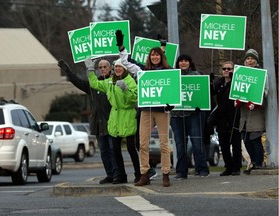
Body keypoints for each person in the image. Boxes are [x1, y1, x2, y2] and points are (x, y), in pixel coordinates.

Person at [115, 30, 173, 187]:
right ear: (149, 58)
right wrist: (121, 47)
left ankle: (166, 173)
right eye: (152, 55)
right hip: (146, 109)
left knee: (164, 144)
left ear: (161, 57)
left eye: (157, 55)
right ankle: (144, 174)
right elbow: (126, 63)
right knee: (143, 144)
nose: (155, 57)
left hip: (162, 110)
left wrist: (171, 104)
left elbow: (174, 90)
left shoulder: (169, 72)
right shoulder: (143, 71)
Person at [57, 59, 119, 184]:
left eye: (104, 67)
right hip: (98, 123)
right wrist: (68, 71)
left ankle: (118, 174)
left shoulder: (115, 83)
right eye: (100, 67)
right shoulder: (93, 84)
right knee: (104, 151)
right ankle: (110, 175)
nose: (102, 69)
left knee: (114, 151)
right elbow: (78, 82)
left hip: (112, 122)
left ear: (110, 69)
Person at [85, 57, 141, 184]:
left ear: (125, 68)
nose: (118, 69)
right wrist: (90, 70)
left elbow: (134, 98)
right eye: (116, 67)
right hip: (115, 118)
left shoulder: (130, 80)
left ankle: (139, 174)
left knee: (132, 148)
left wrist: (126, 89)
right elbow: (95, 84)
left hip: (127, 117)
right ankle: (121, 175)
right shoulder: (110, 81)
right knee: (115, 149)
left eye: (120, 67)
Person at [170, 54, 210, 179]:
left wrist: (200, 105)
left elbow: (202, 94)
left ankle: (202, 169)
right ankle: (181, 171)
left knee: (197, 142)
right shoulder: (172, 77)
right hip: (176, 116)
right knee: (180, 145)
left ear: (190, 62)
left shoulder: (196, 75)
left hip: (193, 115)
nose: (183, 63)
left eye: (185, 61)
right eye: (181, 61)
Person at [234, 49, 268, 174]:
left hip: (256, 114)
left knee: (255, 140)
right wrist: (237, 100)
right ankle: (252, 163)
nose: (250, 61)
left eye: (252, 58)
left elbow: (265, 93)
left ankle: (258, 164)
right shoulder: (240, 74)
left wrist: (257, 103)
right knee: (247, 141)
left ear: (256, 60)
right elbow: (238, 90)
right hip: (245, 116)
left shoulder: (261, 74)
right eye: (248, 58)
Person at [214, 61, 242, 176]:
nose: (226, 70)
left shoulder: (236, 84)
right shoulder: (218, 83)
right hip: (221, 118)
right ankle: (228, 166)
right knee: (224, 144)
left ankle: (236, 167)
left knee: (235, 144)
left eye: (229, 69)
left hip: (233, 116)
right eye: (224, 68)